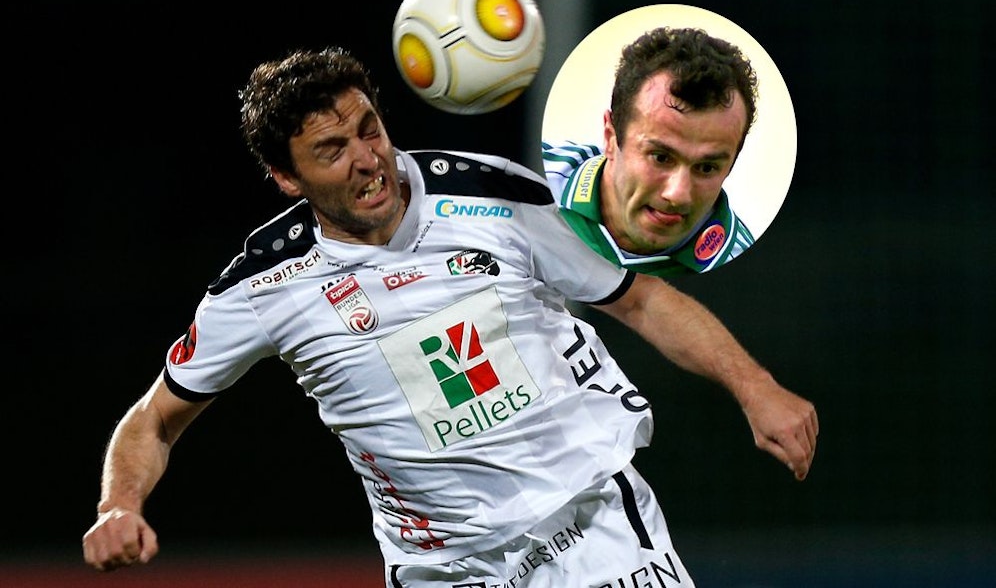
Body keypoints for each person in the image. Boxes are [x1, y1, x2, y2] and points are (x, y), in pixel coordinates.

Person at [82, 46, 818, 586]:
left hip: (589, 527)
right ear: (285, 177)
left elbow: (640, 297)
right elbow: (153, 420)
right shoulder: (261, 286)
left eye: (369, 129)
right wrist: (119, 505)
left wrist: (754, 386)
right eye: (331, 151)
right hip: (445, 570)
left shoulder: (492, 194)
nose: (367, 159)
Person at [543, 26, 759, 277]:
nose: (677, 194)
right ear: (610, 138)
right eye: (661, 158)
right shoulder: (524, 182)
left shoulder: (749, 271)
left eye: (706, 168)